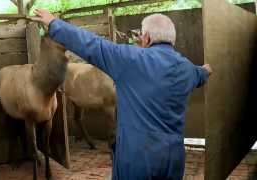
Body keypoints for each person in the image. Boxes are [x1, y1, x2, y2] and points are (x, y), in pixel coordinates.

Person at [32, 9, 212, 180]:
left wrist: (54, 23)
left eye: (142, 35)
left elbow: (92, 44)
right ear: (172, 40)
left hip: (137, 158)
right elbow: (202, 75)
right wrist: (206, 70)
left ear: (147, 37)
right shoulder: (187, 69)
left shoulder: (130, 59)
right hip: (174, 158)